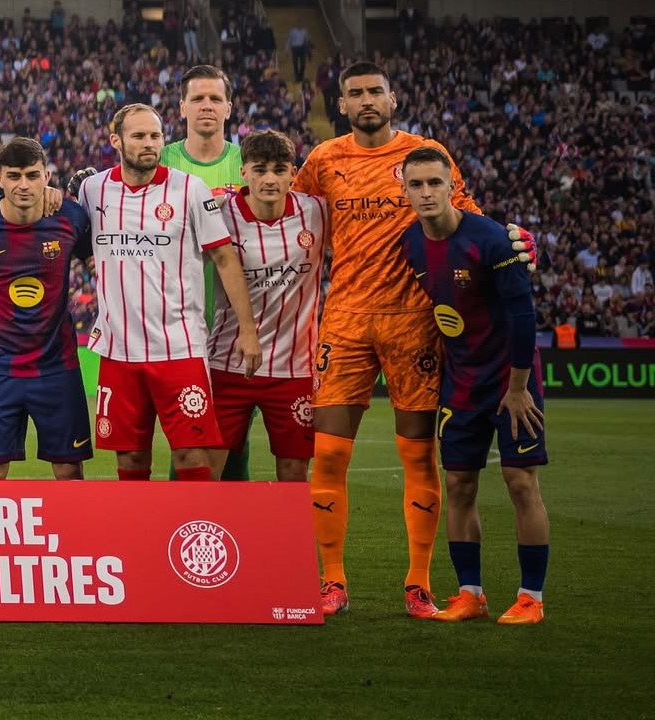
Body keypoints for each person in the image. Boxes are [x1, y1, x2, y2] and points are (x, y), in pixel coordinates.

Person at [292, 61, 481, 618]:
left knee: (418, 455)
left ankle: (418, 583)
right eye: (355, 94)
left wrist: (509, 240)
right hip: (345, 319)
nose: (367, 99)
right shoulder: (324, 160)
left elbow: (468, 221)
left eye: (376, 91)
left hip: (413, 319)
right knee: (327, 455)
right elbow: (282, 210)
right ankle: (332, 581)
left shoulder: (426, 155)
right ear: (341, 105)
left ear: (393, 99)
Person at [399, 147, 550, 624]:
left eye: (434, 184)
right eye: (416, 184)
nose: (426, 192)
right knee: (459, 484)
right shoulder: (411, 243)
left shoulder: (491, 240)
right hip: (461, 381)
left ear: (451, 186)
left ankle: (531, 598)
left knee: (520, 482)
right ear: (404, 190)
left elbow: (524, 315)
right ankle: (470, 594)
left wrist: (519, 387)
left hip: (511, 379)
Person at [76, 103, 261, 480]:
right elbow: (78, 240)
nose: (149, 143)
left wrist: (247, 328)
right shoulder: (92, 189)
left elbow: (225, 258)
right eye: (139, 136)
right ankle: (137, 540)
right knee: (128, 461)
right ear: (116, 140)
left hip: (179, 349)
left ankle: (191, 536)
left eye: (155, 136)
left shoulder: (189, 189)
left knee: (192, 458)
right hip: (118, 351)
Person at [0, 137, 93, 479]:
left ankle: (74, 534)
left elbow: (97, 258)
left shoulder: (71, 218)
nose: (23, 185)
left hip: (56, 366)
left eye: (32, 176)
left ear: (46, 176)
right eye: (14, 175)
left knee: (68, 470)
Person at [207, 130, 326, 481]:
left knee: (293, 471)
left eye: (279, 169)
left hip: (295, 367)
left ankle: (287, 538)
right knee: (208, 468)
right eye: (260, 169)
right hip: (228, 361)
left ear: (293, 172)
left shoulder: (318, 212)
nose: (270, 179)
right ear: (243, 172)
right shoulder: (219, 213)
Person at [159, 64, 252, 481]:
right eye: (197, 98)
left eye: (215, 98)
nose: (207, 106)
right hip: (178, 323)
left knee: (236, 434)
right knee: (186, 434)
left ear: (229, 108)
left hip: (237, 318)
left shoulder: (248, 165)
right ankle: (179, 523)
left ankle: (238, 527)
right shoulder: (160, 159)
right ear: (182, 107)